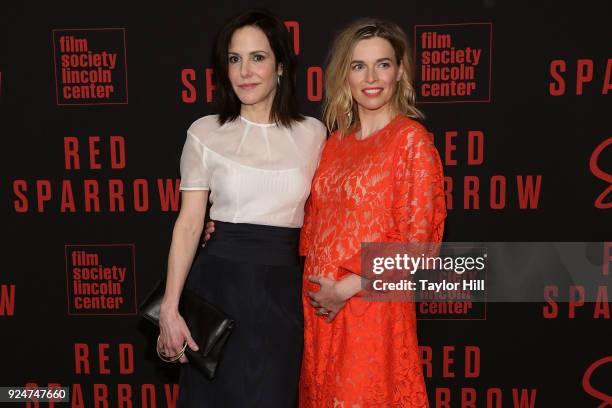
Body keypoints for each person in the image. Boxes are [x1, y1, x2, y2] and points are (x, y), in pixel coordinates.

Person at [157, 9, 326, 408]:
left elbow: (330, 216)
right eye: (235, 59)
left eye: (258, 57)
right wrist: (169, 308)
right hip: (218, 289)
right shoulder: (204, 131)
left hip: (283, 296)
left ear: (281, 66)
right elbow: (189, 224)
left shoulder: (313, 134)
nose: (245, 71)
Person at [297, 19, 446, 407]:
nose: (371, 77)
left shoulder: (411, 142)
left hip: (370, 309)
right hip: (322, 315)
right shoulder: (333, 144)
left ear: (400, 71)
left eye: (382, 64)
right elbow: (311, 221)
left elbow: (419, 245)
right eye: (358, 65)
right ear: (344, 74)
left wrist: (344, 290)